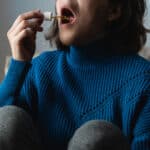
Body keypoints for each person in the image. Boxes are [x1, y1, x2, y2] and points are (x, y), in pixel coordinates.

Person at [0, 0, 150, 149]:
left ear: (114, 11)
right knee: (8, 118)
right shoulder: (39, 70)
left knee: (95, 136)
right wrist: (17, 65)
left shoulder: (143, 81)